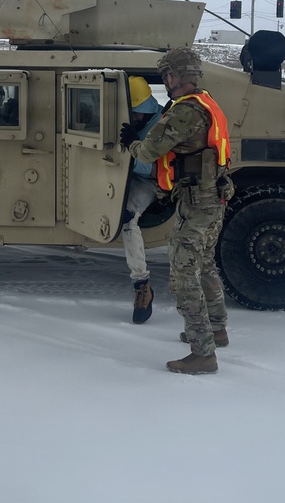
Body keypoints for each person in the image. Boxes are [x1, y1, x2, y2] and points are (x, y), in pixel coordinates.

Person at [120, 47, 234, 375]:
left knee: (183, 273)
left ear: (173, 76)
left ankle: (203, 352)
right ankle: (216, 329)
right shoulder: (206, 102)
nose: (166, 82)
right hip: (210, 197)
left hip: (199, 202)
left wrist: (131, 142)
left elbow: (150, 150)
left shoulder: (185, 112)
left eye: (167, 75)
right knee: (205, 264)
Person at [122, 76, 163, 324]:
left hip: (147, 181)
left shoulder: (160, 125)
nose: (134, 117)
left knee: (128, 219)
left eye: (136, 113)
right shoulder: (141, 120)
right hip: (126, 175)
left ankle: (142, 285)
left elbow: (150, 168)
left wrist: (128, 148)